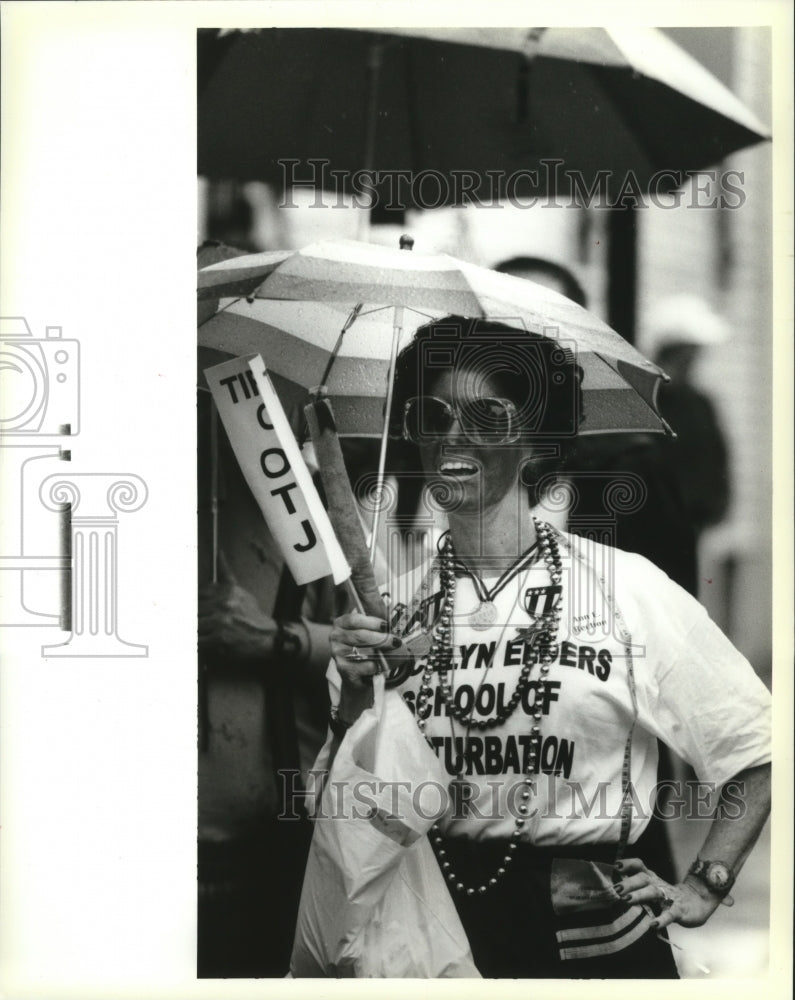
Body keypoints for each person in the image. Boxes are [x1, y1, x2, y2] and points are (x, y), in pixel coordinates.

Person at [326, 316, 771, 978]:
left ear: (534, 442)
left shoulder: (626, 590)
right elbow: (347, 799)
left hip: (587, 942)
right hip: (428, 934)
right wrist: (355, 700)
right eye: (432, 414)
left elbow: (756, 748)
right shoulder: (389, 608)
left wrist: (704, 883)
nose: (454, 435)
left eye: (487, 416)